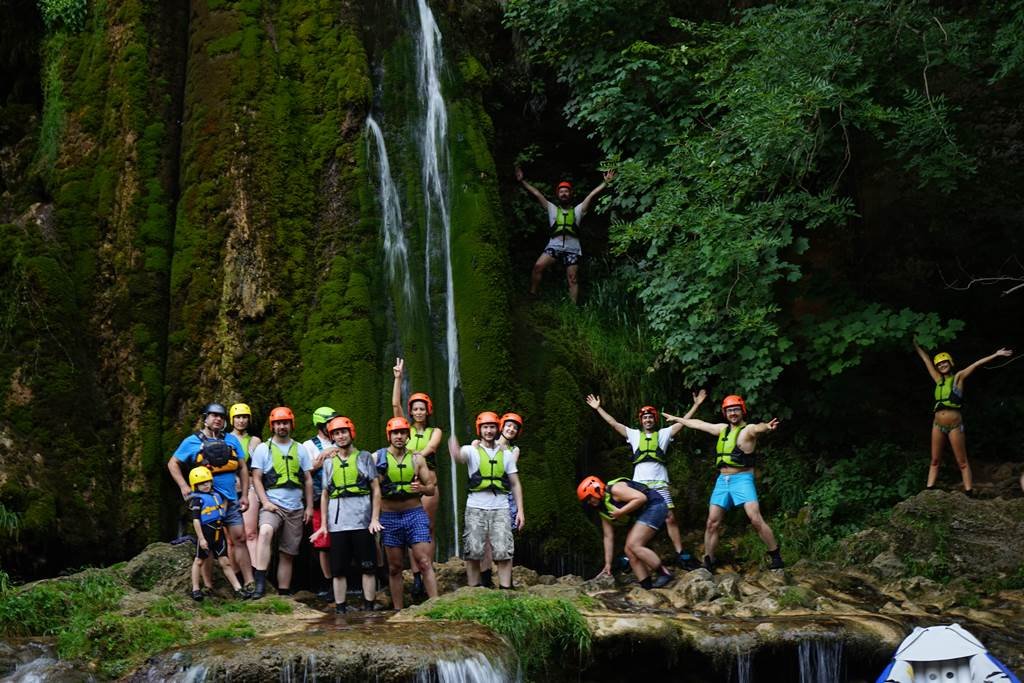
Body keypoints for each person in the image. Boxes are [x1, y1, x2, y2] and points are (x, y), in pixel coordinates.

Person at [663, 395, 783, 571]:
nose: (733, 413)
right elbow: (699, 424)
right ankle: (709, 560)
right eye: (729, 410)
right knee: (712, 522)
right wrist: (677, 419)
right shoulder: (722, 429)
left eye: (735, 410)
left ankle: (775, 555)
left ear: (742, 410)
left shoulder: (748, 430)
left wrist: (768, 427)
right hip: (722, 481)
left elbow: (759, 428)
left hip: (742, 479)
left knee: (755, 518)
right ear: (725, 413)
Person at [585, 393, 704, 568]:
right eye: (645, 417)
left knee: (670, 517)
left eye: (650, 417)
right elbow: (613, 423)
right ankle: (631, 553)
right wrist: (598, 408)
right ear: (641, 421)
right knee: (638, 519)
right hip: (639, 486)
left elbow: (682, 423)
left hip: (659, 483)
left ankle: (680, 553)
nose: (647, 420)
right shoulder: (633, 435)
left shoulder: (663, 435)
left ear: (654, 420)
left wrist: (696, 405)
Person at [167, 402, 255, 592]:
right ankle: (208, 586)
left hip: (231, 500)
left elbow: (242, 468)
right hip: (206, 503)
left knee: (240, 538)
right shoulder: (191, 442)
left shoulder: (231, 440)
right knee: (208, 544)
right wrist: (183, 486)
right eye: (213, 415)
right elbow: (173, 463)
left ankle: (249, 581)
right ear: (205, 418)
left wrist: (245, 495)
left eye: (221, 417)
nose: (217, 419)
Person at [913, 342, 1013, 496]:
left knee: (962, 461)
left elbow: (976, 364)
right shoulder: (938, 380)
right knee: (934, 460)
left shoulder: (958, 377)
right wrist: (915, 343)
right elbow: (926, 360)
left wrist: (996, 354)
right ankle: (929, 489)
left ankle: (968, 491)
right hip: (937, 424)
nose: (942, 366)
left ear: (950, 363)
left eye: (944, 362)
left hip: (954, 425)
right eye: (939, 364)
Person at [309, 416, 383, 613]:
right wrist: (324, 525)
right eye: (336, 433)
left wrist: (374, 518)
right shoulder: (329, 463)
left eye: (343, 432)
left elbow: (375, 489)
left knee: (367, 566)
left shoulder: (364, 457)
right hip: (338, 522)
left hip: (362, 520)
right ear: (332, 437)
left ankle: (368, 607)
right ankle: (340, 609)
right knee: (338, 569)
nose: (340, 436)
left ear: (351, 433)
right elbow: (325, 494)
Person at [515, 166, 614, 303]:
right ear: (558, 195)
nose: (563, 194)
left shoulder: (578, 211)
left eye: (566, 191)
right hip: (554, 246)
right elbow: (537, 194)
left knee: (572, 278)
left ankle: (572, 309)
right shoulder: (552, 209)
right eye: (561, 192)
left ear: (570, 194)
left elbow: (591, 195)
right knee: (538, 267)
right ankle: (532, 294)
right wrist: (522, 181)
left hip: (572, 249)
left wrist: (605, 183)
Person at [449, 412, 525, 590]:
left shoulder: (506, 455)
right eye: (485, 427)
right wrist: (453, 448)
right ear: (479, 430)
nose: (489, 431)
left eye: (492, 427)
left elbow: (515, 483)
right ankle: (474, 590)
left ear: (496, 429)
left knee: (503, 551)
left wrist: (520, 510)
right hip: (475, 506)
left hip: (501, 507)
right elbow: (460, 457)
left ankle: (505, 590)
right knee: (473, 551)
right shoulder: (471, 450)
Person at [249, 406, 315, 598]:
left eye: (285, 422)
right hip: (273, 504)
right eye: (278, 423)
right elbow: (256, 478)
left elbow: (308, 480)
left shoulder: (300, 449)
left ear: (291, 424)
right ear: (272, 425)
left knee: (288, 552)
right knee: (266, 531)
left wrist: (309, 506)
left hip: (296, 507)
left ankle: (284, 592)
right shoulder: (263, 449)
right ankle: (260, 582)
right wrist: (265, 502)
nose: (281, 426)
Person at [390, 358, 442, 597]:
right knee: (412, 528)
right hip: (407, 483)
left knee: (427, 528)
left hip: (428, 482)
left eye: (422, 408)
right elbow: (395, 406)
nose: (419, 412)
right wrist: (398, 378)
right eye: (415, 408)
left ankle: (426, 568)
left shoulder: (435, 431)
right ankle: (417, 576)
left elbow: (431, 448)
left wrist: (410, 455)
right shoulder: (405, 430)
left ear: (427, 411)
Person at [376, 416, 439, 609]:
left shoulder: (417, 459)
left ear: (407, 436)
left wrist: (420, 487)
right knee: (395, 567)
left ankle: (436, 604)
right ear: (389, 435)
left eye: (403, 433)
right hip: (389, 515)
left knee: (424, 561)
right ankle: (398, 610)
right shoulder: (377, 458)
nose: (399, 436)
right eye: (395, 433)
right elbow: (370, 487)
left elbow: (431, 489)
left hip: (414, 514)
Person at [578, 476, 673, 589]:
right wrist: (608, 564)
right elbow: (608, 536)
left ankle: (664, 573)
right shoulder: (603, 509)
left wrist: (621, 512)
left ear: (596, 490)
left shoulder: (615, 489)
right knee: (629, 550)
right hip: (646, 512)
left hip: (655, 505)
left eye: (589, 498)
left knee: (634, 544)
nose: (589, 502)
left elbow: (641, 498)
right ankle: (646, 585)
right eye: (586, 501)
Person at [188, 466, 250, 601]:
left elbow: (222, 510)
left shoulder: (217, 496)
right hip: (206, 534)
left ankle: (238, 589)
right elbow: (196, 521)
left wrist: (227, 501)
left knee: (225, 562)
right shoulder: (197, 500)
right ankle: (196, 589)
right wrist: (201, 538)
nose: (204, 486)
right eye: (200, 484)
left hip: (218, 533)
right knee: (199, 560)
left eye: (206, 482)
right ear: (195, 486)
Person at [302, 406, 339, 601]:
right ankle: (328, 581)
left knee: (340, 540)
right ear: (320, 425)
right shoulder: (308, 445)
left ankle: (344, 579)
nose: (333, 427)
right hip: (318, 499)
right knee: (323, 544)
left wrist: (334, 449)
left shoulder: (341, 439)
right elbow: (305, 471)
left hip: (340, 499)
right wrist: (322, 458)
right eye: (329, 423)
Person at [229, 402, 262, 562]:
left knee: (250, 532)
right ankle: (234, 576)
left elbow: (258, 466)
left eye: (244, 417)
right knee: (231, 537)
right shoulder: (224, 439)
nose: (241, 421)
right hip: (228, 488)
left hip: (249, 486)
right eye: (238, 417)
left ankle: (255, 573)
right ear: (232, 419)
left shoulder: (254, 440)